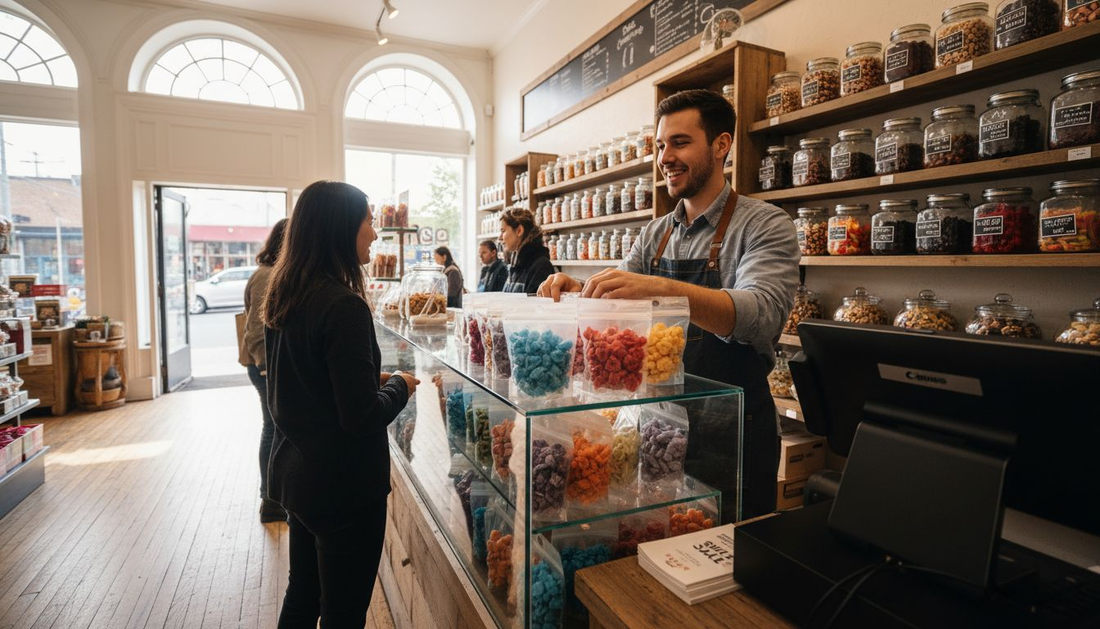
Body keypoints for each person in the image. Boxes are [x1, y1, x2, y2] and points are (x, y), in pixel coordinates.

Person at [538, 89, 800, 521]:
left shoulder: (765, 224)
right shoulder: (656, 233)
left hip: (733, 429)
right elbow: (622, 297)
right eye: (661, 145)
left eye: (680, 142)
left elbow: (762, 313)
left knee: (728, 557)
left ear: (721, 145)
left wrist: (658, 288)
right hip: (657, 426)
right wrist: (581, 286)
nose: (665, 157)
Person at [263, 180, 419, 628]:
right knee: (343, 614)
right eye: (367, 221)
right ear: (340, 229)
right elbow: (362, 417)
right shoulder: (344, 305)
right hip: (343, 488)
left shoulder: (287, 293)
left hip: (299, 476)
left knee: (302, 597)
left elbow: (306, 381)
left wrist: (372, 378)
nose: (374, 232)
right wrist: (401, 386)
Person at [242, 217, 289, 523]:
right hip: (265, 366)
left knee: (275, 428)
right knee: (273, 429)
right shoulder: (268, 275)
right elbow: (258, 329)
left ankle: (274, 497)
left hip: (266, 365)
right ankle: (270, 500)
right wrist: (266, 367)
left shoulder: (270, 273)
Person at [499, 207, 555, 293]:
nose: (499, 237)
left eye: (503, 231)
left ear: (519, 231)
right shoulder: (515, 265)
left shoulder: (541, 266)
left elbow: (535, 305)